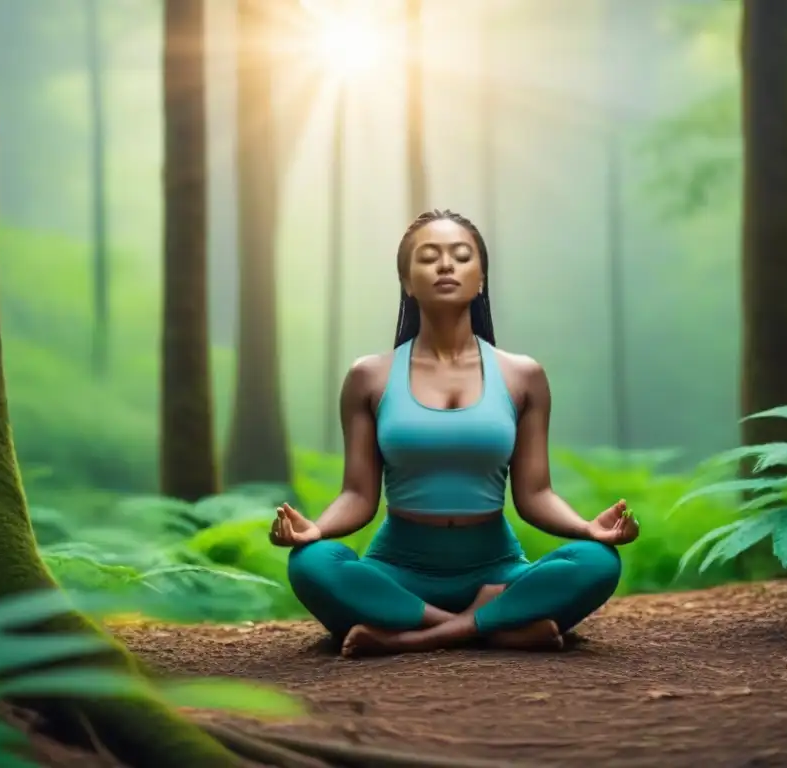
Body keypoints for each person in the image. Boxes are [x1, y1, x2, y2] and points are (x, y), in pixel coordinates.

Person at [270, 209, 639, 658]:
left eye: (461, 256)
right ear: (407, 281)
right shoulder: (369, 377)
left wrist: (586, 528)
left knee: (597, 561)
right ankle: (494, 625)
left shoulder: (523, 376)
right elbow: (358, 495)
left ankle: (411, 635)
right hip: (397, 570)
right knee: (312, 564)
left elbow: (535, 494)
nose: (446, 265)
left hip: (496, 571)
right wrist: (316, 530)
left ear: (481, 279)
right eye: (429, 257)